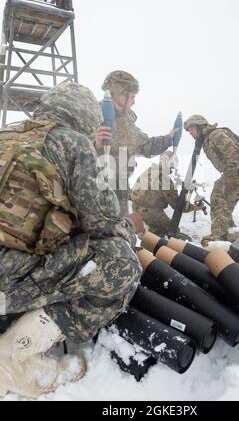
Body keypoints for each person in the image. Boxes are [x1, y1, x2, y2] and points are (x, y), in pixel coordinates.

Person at [0, 82, 142, 398]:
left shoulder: (6, 134)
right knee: (118, 260)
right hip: (5, 284)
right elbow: (105, 224)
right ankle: (12, 355)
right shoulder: (71, 144)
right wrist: (128, 233)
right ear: (83, 117)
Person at [95, 70, 177, 215]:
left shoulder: (128, 122)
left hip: (121, 187)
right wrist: (95, 144)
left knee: (121, 228)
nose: (134, 102)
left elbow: (145, 145)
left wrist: (168, 139)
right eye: (132, 96)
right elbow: (74, 148)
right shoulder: (94, 113)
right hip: (97, 187)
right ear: (121, 94)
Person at [184, 114, 239, 245]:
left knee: (219, 197)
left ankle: (219, 234)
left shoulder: (216, 135)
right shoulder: (208, 139)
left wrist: (233, 175)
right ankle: (227, 226)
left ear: (199, 126)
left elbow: (233, 152)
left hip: (236, 168)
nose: (190, 133)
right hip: (238, 169)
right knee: (222, 195)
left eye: (191, 129)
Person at [131, 151, 197, 240]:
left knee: (158, 230)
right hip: (150, 212)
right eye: (173, 166)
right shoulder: (164, 180)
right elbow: (177, 205)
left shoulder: (150, 171)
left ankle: (153, 232)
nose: (173, 169)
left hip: (136, 209)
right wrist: (193, 207)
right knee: (173, 232)